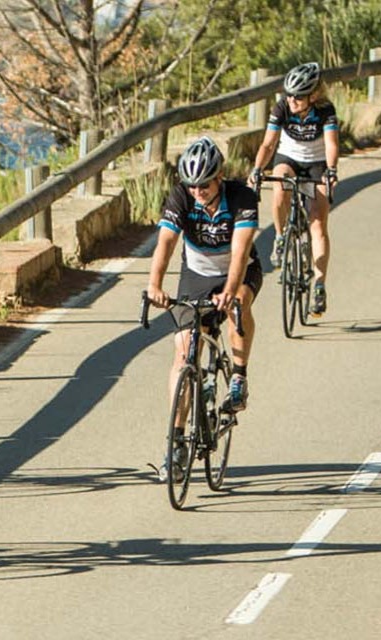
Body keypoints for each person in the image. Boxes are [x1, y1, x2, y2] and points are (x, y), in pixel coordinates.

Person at [146, 137, 261, 471]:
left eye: (205, 184)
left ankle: (239, 376)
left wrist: (229, 289)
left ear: (220, 176)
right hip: (196, 274)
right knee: (183, 355)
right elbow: (166, 242)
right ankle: (178, 441)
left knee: (238, 302)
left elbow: (240, 251)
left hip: (237, 271)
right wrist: (154, 285)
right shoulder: (182, 196)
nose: (198, 191)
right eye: (193, 185)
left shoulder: (241, 197)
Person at [248, 61, 340, 317]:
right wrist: (257, 169)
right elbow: (268, 144)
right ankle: (280, 236)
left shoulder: (325, 110)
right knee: (279, 189)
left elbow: (332, 144)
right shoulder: (282, 108)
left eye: (298, 97)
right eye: (289, 95)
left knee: (318, 224)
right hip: (288, 158)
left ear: (313, 95)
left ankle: (319, 284)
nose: (292, 100)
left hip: (317, 163)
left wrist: (331, 171)